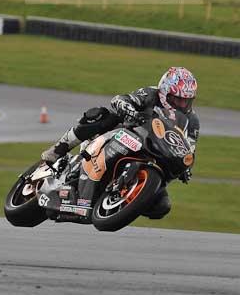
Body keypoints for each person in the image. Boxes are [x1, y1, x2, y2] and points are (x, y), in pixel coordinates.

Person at [40, 66, 199, 220]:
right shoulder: (151, 94)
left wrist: (186, 169)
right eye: (177, 99)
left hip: (154, 155)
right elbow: (121, 99)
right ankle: (58, 150)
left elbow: (188, 149)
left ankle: (123, 201)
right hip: (126, 133)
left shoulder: (192, 122)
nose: (182, 104)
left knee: (162, 206)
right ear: (165, 92)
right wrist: (129, 110)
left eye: (186, 100)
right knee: (100, 115)